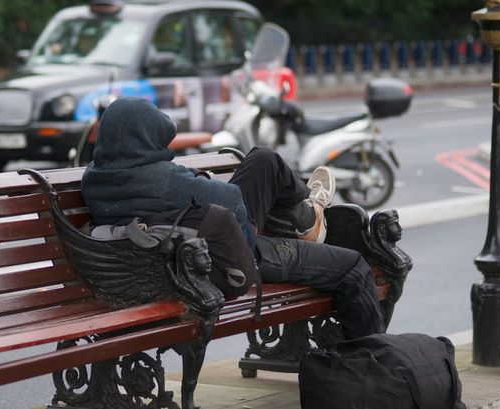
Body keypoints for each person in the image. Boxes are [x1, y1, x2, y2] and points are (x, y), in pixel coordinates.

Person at [81, 97, 386, 339]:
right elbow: (231, 201)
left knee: (263, 159)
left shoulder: (95, 178)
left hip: (178, 247)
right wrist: (195, 181)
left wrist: (193, 184)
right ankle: (371, 365)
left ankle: (305, 216)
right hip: (229, 255)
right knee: (353, 267)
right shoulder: (163, 181)